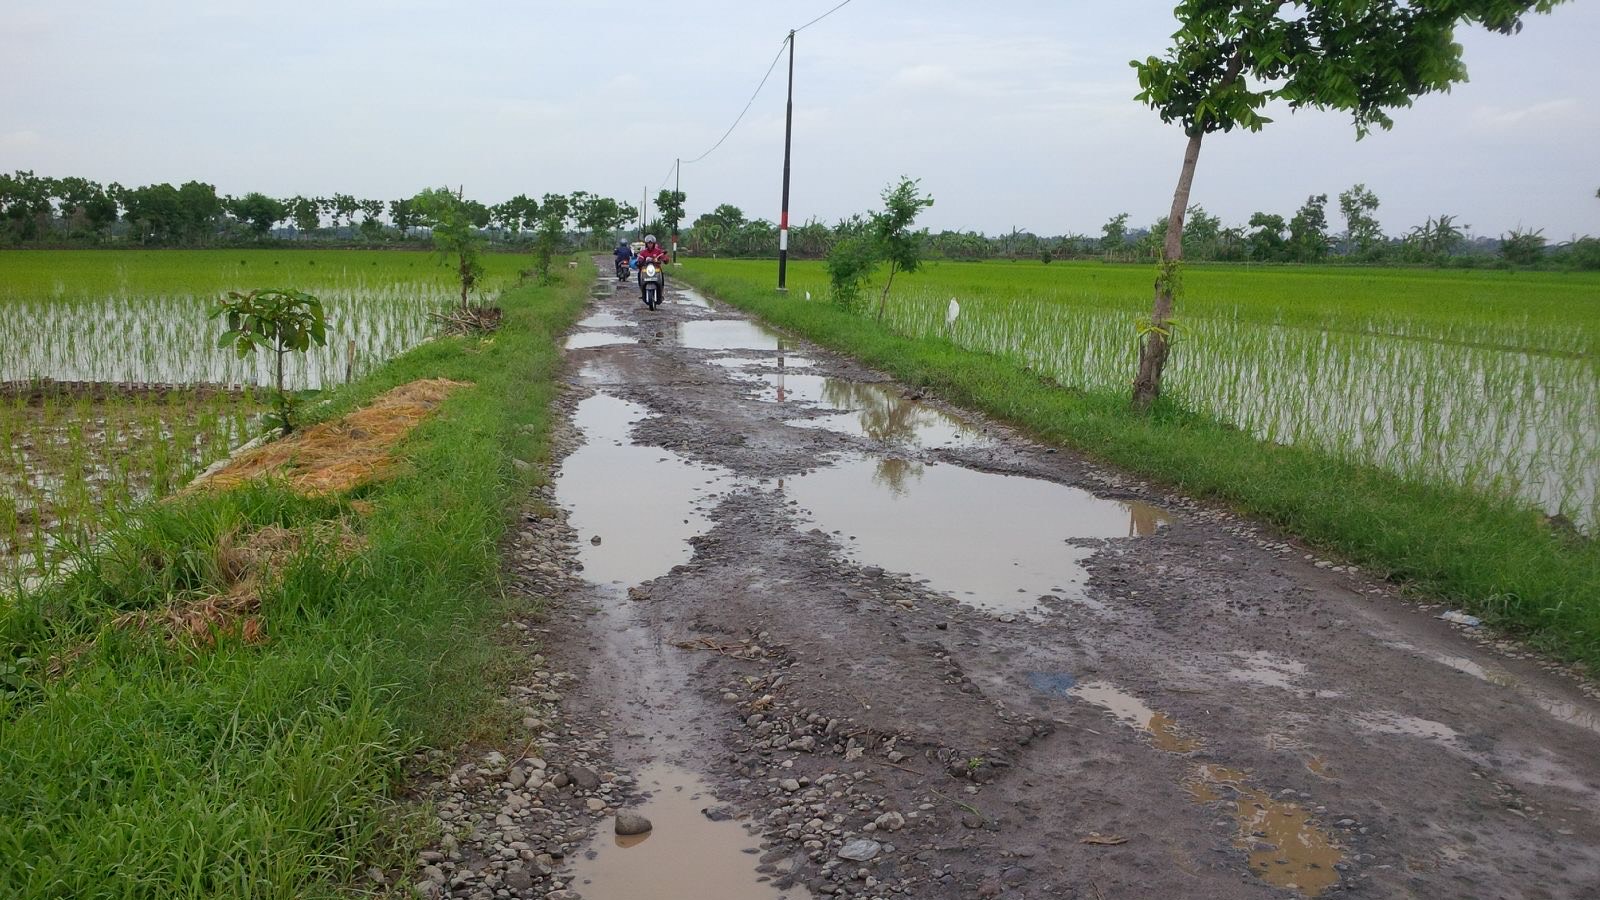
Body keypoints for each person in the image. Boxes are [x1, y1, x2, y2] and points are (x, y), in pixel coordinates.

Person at [633, 234, 669, 300]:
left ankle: (661, 292)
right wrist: (639, 262)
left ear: (654, 243)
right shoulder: (643, 252)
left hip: (656, 269)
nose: (650, 244)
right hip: (646, 270)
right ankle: (642, 291)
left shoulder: (658, 251)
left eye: (651, 243)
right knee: (639, 273)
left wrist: (665, 259)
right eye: (648, 243)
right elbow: (640, 258)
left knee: (661, 274)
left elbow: (663, 256)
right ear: (646, 244)